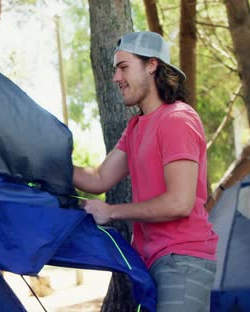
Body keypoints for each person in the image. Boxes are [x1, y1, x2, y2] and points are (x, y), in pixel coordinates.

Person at [73, 31, 218, 311]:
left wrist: (112, 211)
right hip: (152, 261)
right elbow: (99, 179)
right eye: (116, 69)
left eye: (124, 67)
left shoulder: (177, 119)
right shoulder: (136, 128)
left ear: (152, 65)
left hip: (183, 259)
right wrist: (42, 163)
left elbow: (179, 203)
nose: (116, 78)